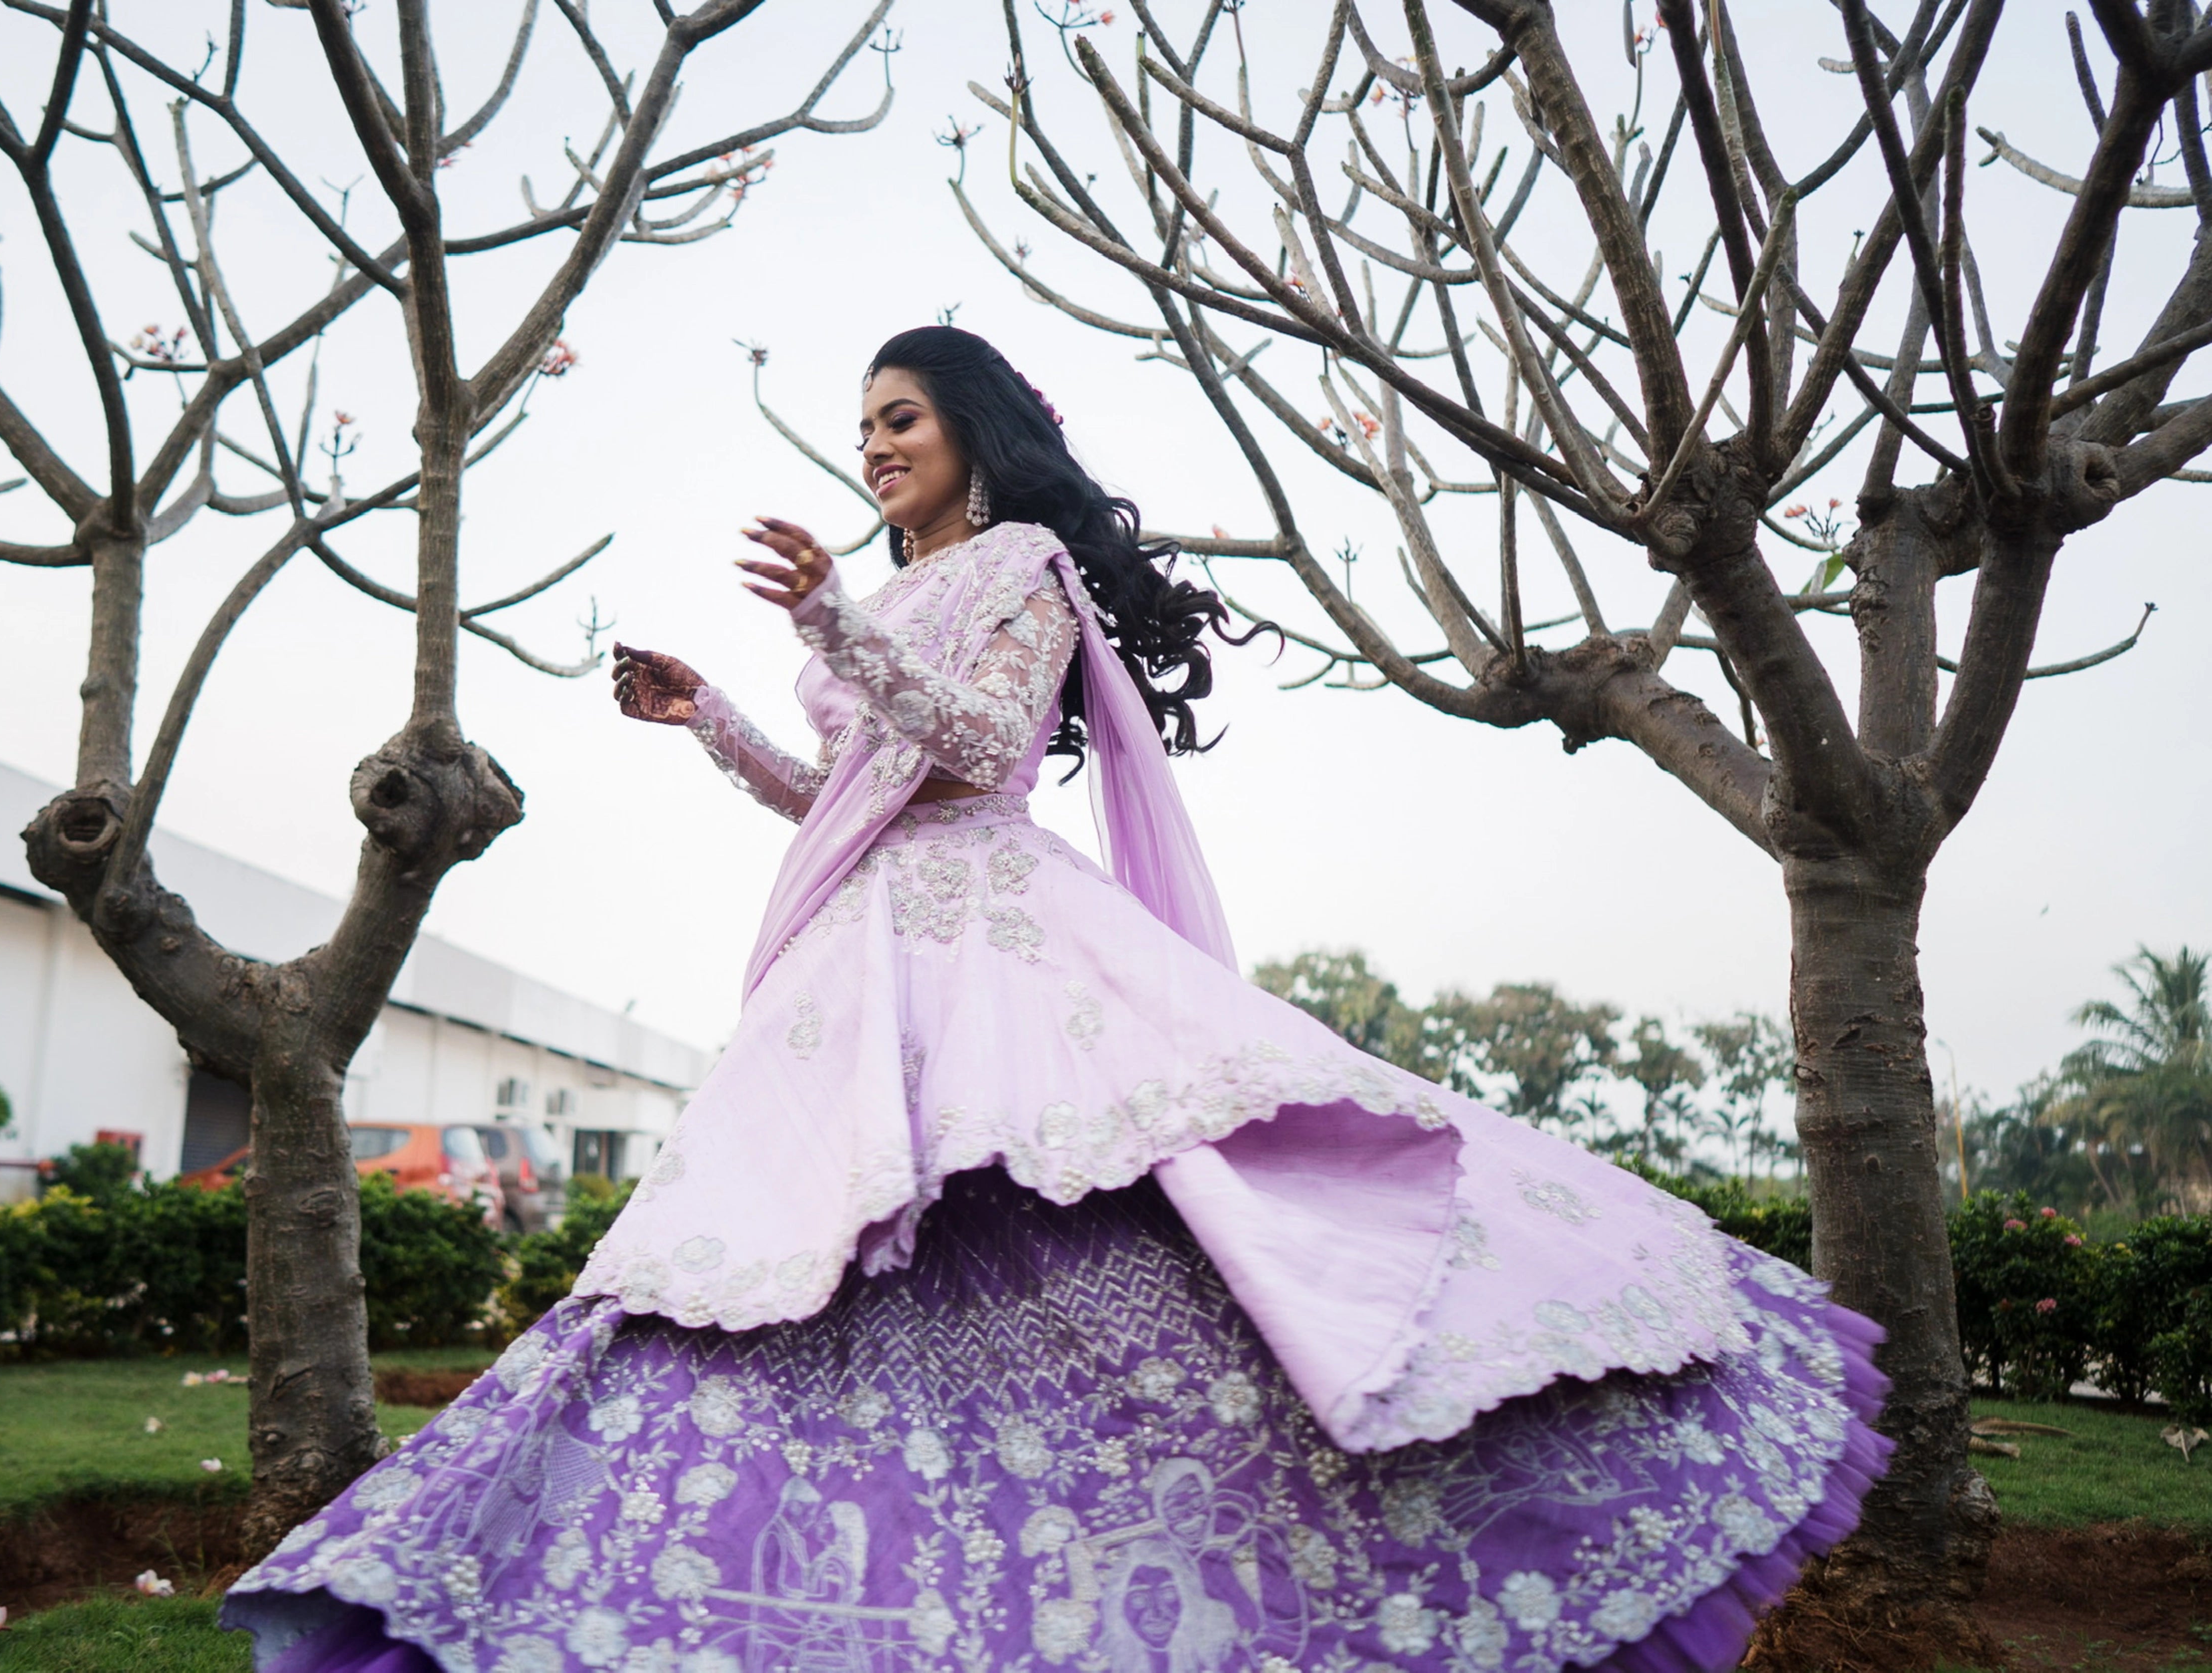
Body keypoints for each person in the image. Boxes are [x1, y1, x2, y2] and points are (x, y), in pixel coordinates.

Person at [223, 326, 1891, 1673]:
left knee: (1108, 1225)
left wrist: (829, 616)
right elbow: (848, 795)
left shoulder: (1020, 560)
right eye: (862, 429)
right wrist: (715, 714)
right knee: (794, 1269)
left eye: (899, 419)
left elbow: (975, 751)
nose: (875, 448)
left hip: (994, 936)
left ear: (974, 432)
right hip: (866, 944)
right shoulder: (887, 593)